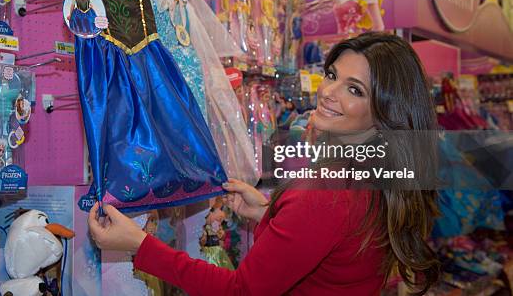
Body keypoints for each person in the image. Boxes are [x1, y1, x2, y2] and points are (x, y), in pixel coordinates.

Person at [88, 32, 440, 295]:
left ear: (385, 111)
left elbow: (241, 291)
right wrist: (270, 215)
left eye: (355, 90)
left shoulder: (327, 191)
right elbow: (333, 255)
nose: (330, 92)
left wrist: (140, 244)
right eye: (332, 75)